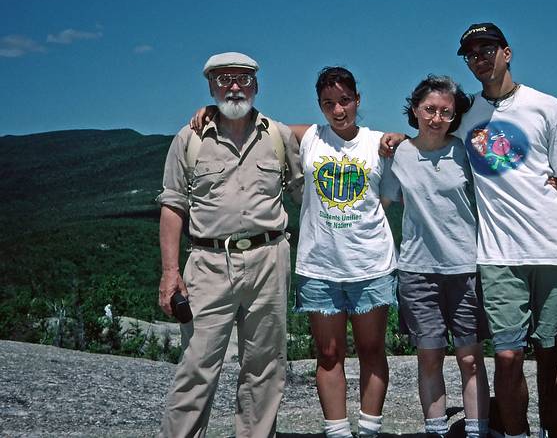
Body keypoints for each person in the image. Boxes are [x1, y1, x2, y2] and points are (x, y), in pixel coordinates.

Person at [385, 22, 557, 437]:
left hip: (551, 249)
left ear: (507, 52)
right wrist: (394, 140)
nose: (481, 58)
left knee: (552, 353)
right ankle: (515, 433)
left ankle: (556, 428)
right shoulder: (466, 117)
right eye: (472, 53)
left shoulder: (547, 107)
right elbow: (431, 135)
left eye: (488, 49)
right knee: (508, 356)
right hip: (497, 255)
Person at [156, 52, 303, 438]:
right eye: (224, 80)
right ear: (210, 86)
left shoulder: (278, 135)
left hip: (270, 259)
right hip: (207, 263)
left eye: (242, 79)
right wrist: (170, 274)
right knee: (196, 367)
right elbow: (173, 206)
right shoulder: (189, 139)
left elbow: (307, 182)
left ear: (257, 84)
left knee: (265, 368)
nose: (234, 87)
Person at [381, 75, 490, 438]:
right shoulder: (399, 154)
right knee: (429, 356)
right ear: (414, 110)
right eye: (429, 109)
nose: (436, 117)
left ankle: (476, 430)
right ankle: (436, 430)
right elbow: (379, 204)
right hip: (417, 270)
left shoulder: (465, 151)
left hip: (464, 267)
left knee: (470, 358)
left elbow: (499, 186)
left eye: (445, 111)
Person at [291, 66, 397, 438]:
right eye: (328, 103)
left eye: (345, 101)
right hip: (319, 266)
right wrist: (214, 111)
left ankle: (368, 431)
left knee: (371, 350)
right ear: (319, 106)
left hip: (369, 264)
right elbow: (259, 126)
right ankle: (337, 432)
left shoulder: (378, 143)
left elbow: (418, 155)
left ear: (358, 100)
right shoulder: (310, 139)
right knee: (329, 354)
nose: (338, 110)